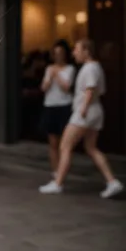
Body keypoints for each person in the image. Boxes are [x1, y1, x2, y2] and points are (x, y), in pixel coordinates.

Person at [40, 39, 123, 198]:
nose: (74, 53)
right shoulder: (94, 67)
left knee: (65, 146)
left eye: (77, 49)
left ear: (86, 51)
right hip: (94, 111)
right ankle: (112, 182)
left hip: (85, 112)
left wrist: (82, 109)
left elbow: (90, 90)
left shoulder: (90, 68)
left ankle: (57, 183)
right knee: (91, 148)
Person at [39, 40, 76, 176]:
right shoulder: (49, 68)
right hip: (50, 105)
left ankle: (63, 171)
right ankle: (55, 172)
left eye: (60, 53)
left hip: (64, 106)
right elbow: (43, 88)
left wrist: (57, 75)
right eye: (56, 53)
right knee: (52, 142)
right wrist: (49, 78)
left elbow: (66, 87)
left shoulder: (70, 69)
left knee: (64, 143)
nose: (58, 56)